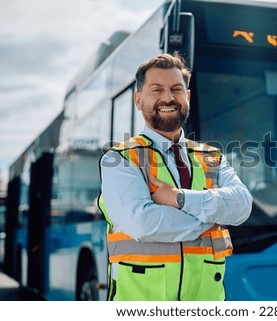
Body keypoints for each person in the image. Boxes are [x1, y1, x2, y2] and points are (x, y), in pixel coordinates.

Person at [98, 52, 252, 301]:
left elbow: (242, 206)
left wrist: (179, 199)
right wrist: (210, 218)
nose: (168, 97)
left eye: (176, 89)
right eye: (156, 90)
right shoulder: (121, 158)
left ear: (188, 97)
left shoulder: (211, 157)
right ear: (138, 100)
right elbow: (144, 224)